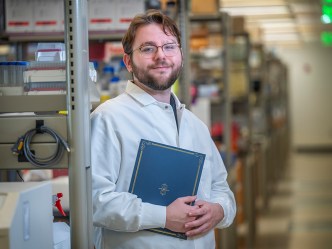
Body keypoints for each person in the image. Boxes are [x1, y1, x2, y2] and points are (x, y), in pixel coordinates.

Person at [91, 9, 236, 249]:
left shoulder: (195, 125)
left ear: (180, 55)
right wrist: (163, 217)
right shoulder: (108, 118)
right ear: (128, 61)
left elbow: (221, 189)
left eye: (169, 46)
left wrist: (218, 210)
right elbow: (95, 202)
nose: (161, 56)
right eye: (148, 48)